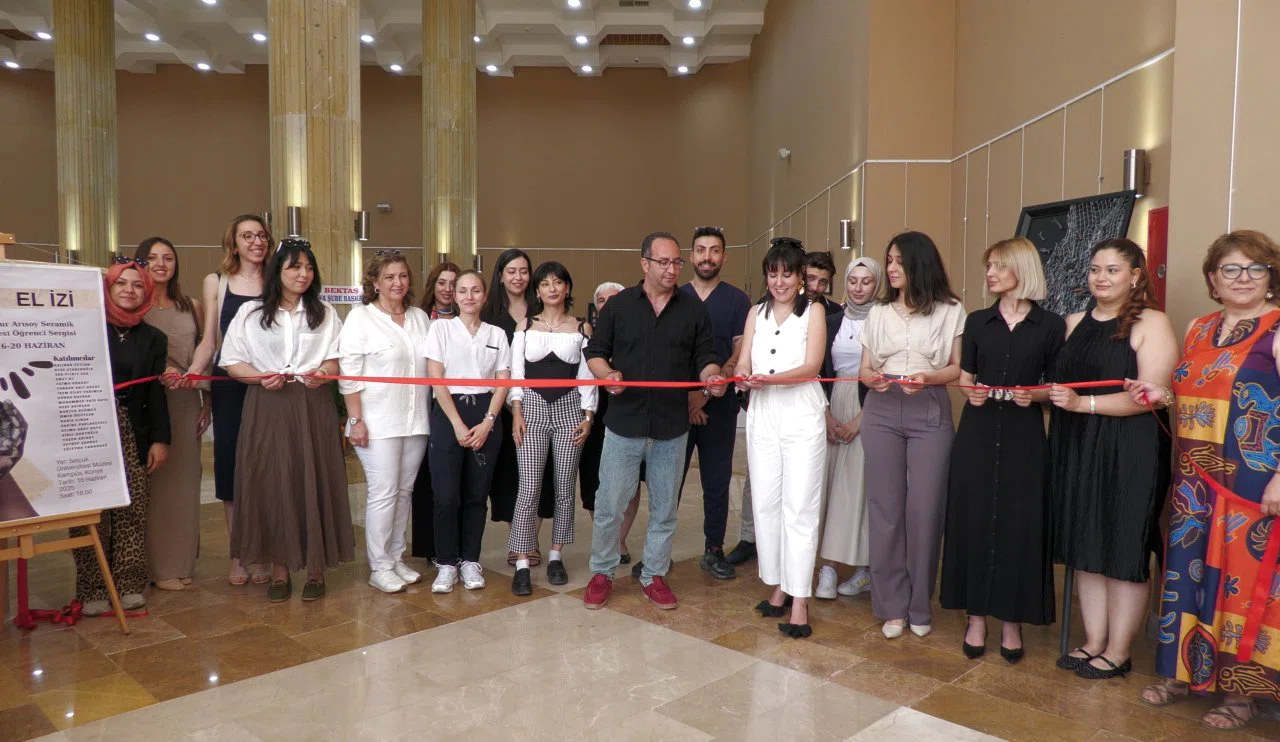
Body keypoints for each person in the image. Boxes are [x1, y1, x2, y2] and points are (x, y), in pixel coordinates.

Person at [1132, 230, 1280, 730]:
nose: (1243, 278)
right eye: (1230, 269)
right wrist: (1157, 394)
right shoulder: (1199, 327)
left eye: (1255, 268)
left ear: (1271, 277)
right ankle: (1181, 674)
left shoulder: (1277, 329)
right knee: (1184, 576)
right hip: (1194, 481)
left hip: (1252, 484)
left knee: (1244, 586)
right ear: (1213, 279)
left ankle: (1242, 695)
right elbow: (1191, 391)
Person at [1047, 238, 1177, 679]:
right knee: (1085, 543)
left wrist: (1082, 404)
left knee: (1124, 545)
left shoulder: (1152, 322)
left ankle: (1119, 651)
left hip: (1130, 448)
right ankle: (1093, 640)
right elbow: (1058, 385)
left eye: (1112, 270)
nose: (1100, 278)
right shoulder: (1072, 322)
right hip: (1077, 445)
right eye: (1094, 269)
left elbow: (1151, 396)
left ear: (1135, 276)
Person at [582, 231, 726, 611]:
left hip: (671, 428)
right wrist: (607, 375)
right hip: (623, 424)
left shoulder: (693, 310)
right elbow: (595, 352)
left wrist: (712, 377)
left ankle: (654, 574)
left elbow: (706, 356)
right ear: (644, 263)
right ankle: (602, 572)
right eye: (663, 262)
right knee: (609, 505)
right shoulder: (618, 306)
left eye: (676, 262)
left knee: (664, 509)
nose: (672, 269)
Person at [939, 237, 1064, 662]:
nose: (990, 273)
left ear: (1021, 269)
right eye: (988, 265)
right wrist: (970, 392)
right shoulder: (977, 322)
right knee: (973, 519)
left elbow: (1055, 385)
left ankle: (1012, 622)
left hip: (1023, 437)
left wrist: (1036, 395)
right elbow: (966, 377)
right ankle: (975, 618)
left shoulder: (1051, 326)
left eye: (998, 265)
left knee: (1019, 525)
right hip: (976, 433)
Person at [220, 239, 354, 602]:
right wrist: (259, 377)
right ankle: (279, 571)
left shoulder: (325, 312)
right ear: (277, 271)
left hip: (313, 404)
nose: (303, 274)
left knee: (313, 478)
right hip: (267, 404)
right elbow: (232, 361)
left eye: (309, 267)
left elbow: (337, 358)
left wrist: (323, 372)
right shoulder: (250, 313)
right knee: (273, 482)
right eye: (294, 267)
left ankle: (315, 569)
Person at [860, 231, 965, 639]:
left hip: (929, 406)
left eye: (898, 261)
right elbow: (865, 367)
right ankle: (891, 606)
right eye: (888, 260)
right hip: (881, 409)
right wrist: (871, 379)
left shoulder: (950, 309)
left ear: (919, 263)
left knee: (925, 509)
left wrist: (928, 378)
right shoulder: (878, 311)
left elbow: (956, 368)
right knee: (884, 509)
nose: (890, 268)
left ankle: (920, 604)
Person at [738, 238, 828, 638]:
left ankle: (800, 600)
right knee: (766, 503)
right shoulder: (755, 313)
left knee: (800, 506)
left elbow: (811, 366)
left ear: (800, 277)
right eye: (773, 274)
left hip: (801, 414)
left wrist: (769, 379)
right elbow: (743, 362)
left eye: (787, 274)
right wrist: (743, 377)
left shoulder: (814, 311)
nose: (779, 282)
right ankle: (779, 585)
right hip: (763, 414)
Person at [73, 257, 170, 616]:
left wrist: (160, 438)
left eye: (138, 285)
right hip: (89, 427)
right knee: (91, 510)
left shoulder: (154, 338)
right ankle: (93, 587)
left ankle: (129, 584)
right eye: (121, 283)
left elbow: (156, 393)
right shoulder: (84, 328)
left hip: (133, 428)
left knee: (133, 507)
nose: (130, 290)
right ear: (108, 287)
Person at [340, 251, 432, 594]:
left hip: (415, 420)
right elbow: (349, 375)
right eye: (390, 277)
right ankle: (379, 566)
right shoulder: (360, 318)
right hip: (376, 422)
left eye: (403, 276)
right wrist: (356, 420)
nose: (398, 283)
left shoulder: (419, 317)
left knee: (404, 492)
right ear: (375, 282)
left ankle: (395, 558)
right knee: (384, 493)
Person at [187, 214, 271, 586]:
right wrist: (192, 374)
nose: (256, 242)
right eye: (247, 236)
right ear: (233, 244)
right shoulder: (216, 282)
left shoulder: (277, 279)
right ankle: (238, 554)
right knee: (231, 467)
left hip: (270, 384)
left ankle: (264, 551)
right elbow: (209, 341)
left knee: (266, 469)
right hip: (229, 385)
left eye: (261, 235)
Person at [508, 262, 597, 595]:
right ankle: (522, 561)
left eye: (558, 282)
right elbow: (516, 373)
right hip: (530, 408)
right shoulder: (525, 325)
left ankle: (557, 555)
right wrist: (516, 411)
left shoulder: (581, 327)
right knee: (529, 487)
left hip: (570, 409)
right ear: (537, 290)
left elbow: (587, 377)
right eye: (545, 284)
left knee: (564, 487)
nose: (552, 289)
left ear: (567, 287)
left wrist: (588, 417)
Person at [674, 226, 751, 582]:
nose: (708, 257)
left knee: (717, 481)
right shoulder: (675, 297)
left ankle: (714, 549)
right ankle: (658, 552)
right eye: (701, 250)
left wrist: (704, 393)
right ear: (691, 256)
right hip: (675, 407)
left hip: (720, 405)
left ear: (724, 257)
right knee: (668, 482)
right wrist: (689, 399)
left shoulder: (737, 301)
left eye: (715, 250)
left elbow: (739, 352)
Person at [426, 270, 511, 593]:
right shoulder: (441, 329)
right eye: (462, 290)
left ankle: (470, 560)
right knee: (446, 496)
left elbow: (503, 381)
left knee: (477, 495)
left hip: (485, 414)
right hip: (449, 413)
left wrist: (489, 421)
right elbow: (436, 379)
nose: (469, 296)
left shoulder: (496, 334)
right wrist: (457, 424)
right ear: (455, 295)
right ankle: (447, 563)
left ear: (485, 296)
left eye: (476, 290)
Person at [137, 237, 210, 591]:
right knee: (155, 485)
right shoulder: (133, 304)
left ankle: (181, 562)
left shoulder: (191, 306)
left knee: (185, 482)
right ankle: (158, 567)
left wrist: (207, 400)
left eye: (168, 257)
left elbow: (206, 351)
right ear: (140, 263)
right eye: (152, 258)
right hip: (148, 402)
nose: (161, 264)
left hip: (185, 401)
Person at [482, 248, 556, 566]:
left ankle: (532, 539)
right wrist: (509, 406)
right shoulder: (488, 315)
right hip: (500, 409)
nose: (518, 277)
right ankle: (519, 540)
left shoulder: (543, 310)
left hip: (541, 407)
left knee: (540, 476)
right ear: (500, 275)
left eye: (524, 271)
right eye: (511, 271)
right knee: (509, 477)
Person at [815, 256, 882, 600]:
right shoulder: (831, 322)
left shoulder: (884, 320)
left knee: (857, 490)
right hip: (832, 406)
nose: (858, 288)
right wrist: (825, 414)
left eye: (866, 281)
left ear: (877, 285)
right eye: (853, 281)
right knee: (828, 487)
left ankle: (863, 570)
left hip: (869, 407)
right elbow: (817, 369)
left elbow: (886, 373)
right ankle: (827, 567)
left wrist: (862, 419)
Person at [577, 281, 645, 565]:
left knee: (630, 481)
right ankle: (606, 537)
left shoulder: (638, 331)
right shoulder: (584, 336)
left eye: (614, 299)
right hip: (594, 414)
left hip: (631, 412)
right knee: (594, 479)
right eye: (602, 300)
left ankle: (620, 540)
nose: (608, 305)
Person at [409, 260, 460, 562]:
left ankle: (454, 546)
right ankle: (429, 547)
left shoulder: (467, 319)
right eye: (442, 282)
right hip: (423, 404)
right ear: (433, 285)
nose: (448, 289)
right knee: (426, 479)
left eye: (454, 283)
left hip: (456, 406)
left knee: (452, 482)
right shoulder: (419, 318)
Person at [804, 251, 843, 316]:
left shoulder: (836, 311)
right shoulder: (786, 307)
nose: (815, 288)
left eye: (822, 281)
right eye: (810, 278)